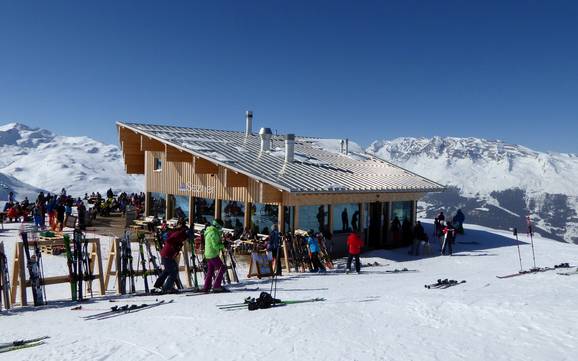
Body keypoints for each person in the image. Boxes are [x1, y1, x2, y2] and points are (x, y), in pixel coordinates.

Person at [154, 220, 189, 292]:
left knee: (167, 271)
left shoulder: (178, 234)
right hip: (167, 254)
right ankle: (167, 288)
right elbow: (170, 240)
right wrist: (174, 246)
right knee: (173, 271)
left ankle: (158, 285)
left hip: (167, 254)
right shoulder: (178, 234)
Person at [203, 219, 227, 293]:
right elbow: (215, 246)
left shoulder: (210, 231)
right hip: (212, 254)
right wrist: (223, 245)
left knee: (210, 270)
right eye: (220, 227)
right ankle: (216, 286)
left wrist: (222, 242)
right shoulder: (214, 233)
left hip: (208, 253)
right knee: (222, 268)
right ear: (217, 225)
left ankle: (207, 286)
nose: (221, 229)